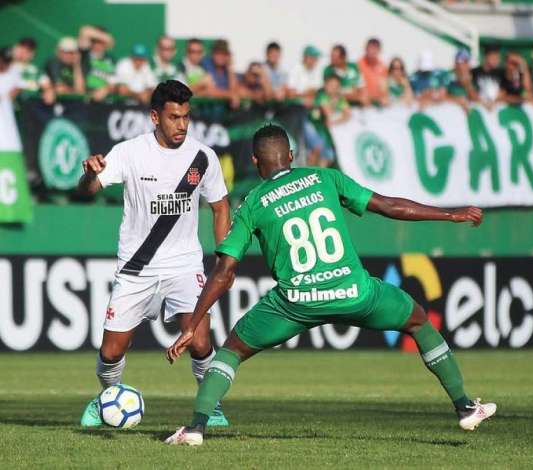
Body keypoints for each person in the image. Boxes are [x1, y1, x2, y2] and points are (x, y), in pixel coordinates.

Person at [163, 124, 497, 446]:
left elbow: (225, 271)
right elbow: (389, 206)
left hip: (294, 303)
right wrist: (450, 214)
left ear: (255, 161)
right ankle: (465, 407)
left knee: (232, 350)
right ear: (291, 155)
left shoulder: (253, 202)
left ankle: (196, 428)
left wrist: (193, 323)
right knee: (419, 320)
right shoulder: (324, 178)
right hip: (355, 292)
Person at [76, 80, 232, 428]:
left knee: (200, 338)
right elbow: (88, 191)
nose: (182, 125)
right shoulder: (129, 152)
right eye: (174, 117)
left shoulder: (201, 156)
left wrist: (225, 254)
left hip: (184, 263)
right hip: (137, 266)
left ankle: (210, 404)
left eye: (186, 117)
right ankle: (107, 399)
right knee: (111, 352)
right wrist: (89, 176)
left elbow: (221, 207)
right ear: (154, 117)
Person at [39, 36, 85, 104]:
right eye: (66, 52)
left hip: (67, 105)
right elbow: (60, 89)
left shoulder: (76, 67)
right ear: (59, 51)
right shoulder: (53, 62)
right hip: (47, 104)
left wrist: (77, 65)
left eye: (72, 52)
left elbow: (81, 91)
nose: (69, 55)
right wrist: (74, 91)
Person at [78, 25, 116, 102]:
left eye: (101, 42)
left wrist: (105, 90)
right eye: (94, 41)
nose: (97, 45)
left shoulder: (111, 59)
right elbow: (84, 31)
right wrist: (105, 37)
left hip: (104, 98)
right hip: (85, 96)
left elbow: (113, 82)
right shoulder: (84, 54)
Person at [201, 39, 240, 108]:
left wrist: (230, 67)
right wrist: (229, 94)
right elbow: (207, 90)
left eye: (223, 54)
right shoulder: (206, 64)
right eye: (217, 53)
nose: (220, 56)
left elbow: (235, 90)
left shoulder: (227, 69)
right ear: (212, 54)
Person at [357, 37, 388, 105]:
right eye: (371, 48)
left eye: (375, 49)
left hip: (378, 103)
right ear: (366, 49)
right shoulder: (358, 65)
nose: (373, 51)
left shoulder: (382, 66)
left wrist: (383, 97)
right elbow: (358, 87)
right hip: (363, 104)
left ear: (379, 50)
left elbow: (384, 87)